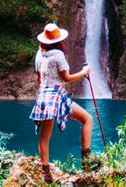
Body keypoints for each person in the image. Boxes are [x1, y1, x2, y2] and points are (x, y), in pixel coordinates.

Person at [30, 23, 93, 183]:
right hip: (57, 95)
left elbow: (39, 78)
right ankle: (86, 163)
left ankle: (46, 173)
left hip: (44, 95)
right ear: (59, 40)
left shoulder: (39, 53)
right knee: (87, 119)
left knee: (45, 137)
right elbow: (66, 78)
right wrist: (84, 72)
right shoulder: (58, 54)